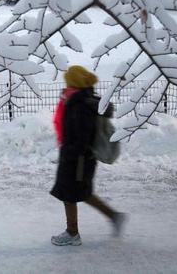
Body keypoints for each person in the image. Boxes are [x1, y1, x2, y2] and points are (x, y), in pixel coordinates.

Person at [50, 65, 127, 246]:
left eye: (68, 81)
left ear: (73, 83)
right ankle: (114, 217)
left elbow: (82, 136)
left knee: (70, 193)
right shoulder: (81, 100)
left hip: (78, 159)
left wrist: (69, 152)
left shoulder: (81, 105)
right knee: (81, 192)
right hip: (80, 157)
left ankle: (72, 233)